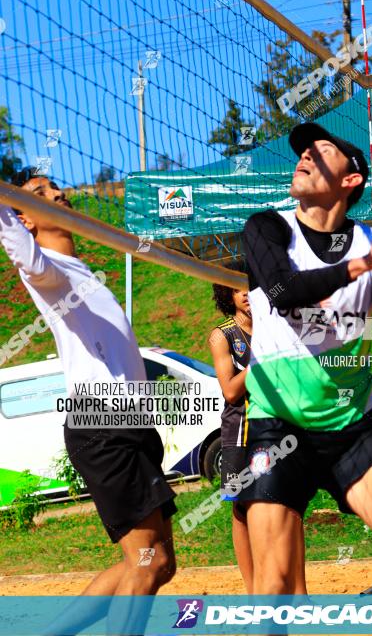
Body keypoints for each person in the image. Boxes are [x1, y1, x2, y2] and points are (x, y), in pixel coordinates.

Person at [240, 122, 372, 596]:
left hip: (352, 424)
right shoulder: (267, 228)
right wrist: (365, 265)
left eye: (321, 149)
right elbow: (283, 293)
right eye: (304, 151)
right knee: (273, 583)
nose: (305, 155)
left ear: (351, 179)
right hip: (277, 422)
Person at [0, 169, 176, 630]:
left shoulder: (80, 271)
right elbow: (26, 257)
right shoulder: (49, 270)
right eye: (41, 194)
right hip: (104, 425)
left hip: (129, 423)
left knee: (156, 562)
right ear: (26, 220)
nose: (59, 193)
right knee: (147, 562)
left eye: (57, 186)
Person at [208, 262, 307, 594]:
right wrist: (263, 357)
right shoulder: (223, 336)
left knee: (290, 505)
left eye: (250, 287)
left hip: (279, 426)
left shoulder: (275, 326)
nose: (246, 295)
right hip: (242, 429)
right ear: (227, 294)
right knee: (241, 508)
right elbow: (231, 390)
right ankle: (253, 592)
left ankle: (299, 590)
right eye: (237, 289)